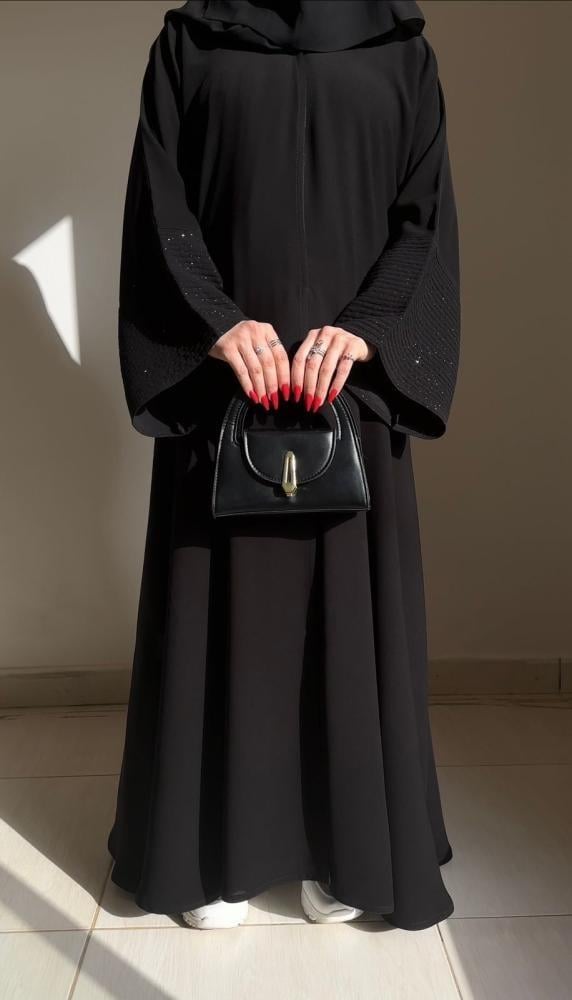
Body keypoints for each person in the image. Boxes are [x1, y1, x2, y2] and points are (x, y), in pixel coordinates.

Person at [108, 0, 461, 932]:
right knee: (221, 608)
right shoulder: (191, 44)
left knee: (346, 619)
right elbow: (161, 208)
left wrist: (368, 330)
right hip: (224, 385)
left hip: (350, 390)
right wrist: (218, 324)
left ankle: (352, 854)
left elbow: (422, 221)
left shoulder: (402, 53)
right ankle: (214, 855)